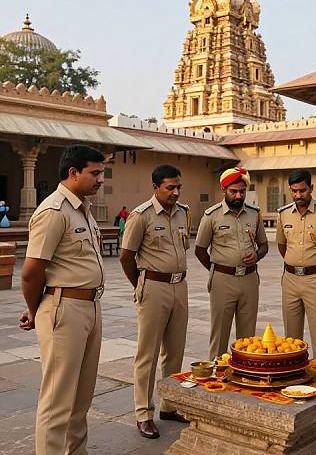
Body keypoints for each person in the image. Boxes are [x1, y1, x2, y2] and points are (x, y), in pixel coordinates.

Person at [19, 144, 105, 455]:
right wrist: (35, 309)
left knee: (81, 398)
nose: (101, 179)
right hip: (63, 308)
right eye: (95, 173)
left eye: (102, 173)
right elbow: (31, 272)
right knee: (57, 400)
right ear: (73, 173)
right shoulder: (53, 211)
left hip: (89, 307)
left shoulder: (82, 209)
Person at [120, 165, 190, 439]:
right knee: (146, 354)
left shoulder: (184, 213)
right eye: (170, 187)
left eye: (178, 187)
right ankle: (143, 413)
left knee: (175, 352)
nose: (175, 192)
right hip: (153, 287)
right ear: (156, 187)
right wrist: (141, 284)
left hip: (179, 286)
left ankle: (170, 405)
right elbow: (127, 256)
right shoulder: (142, 216)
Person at [195, 167, 268, 360]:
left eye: (242, 191)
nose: (238, 195)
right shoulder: (212, 216)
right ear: (224, 190)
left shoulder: (254, 214)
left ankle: (245, 374)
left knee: (248, 336)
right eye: (233, 191)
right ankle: (217, 377)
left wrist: (257, 256)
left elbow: (264, 245)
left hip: (249, 280)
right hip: (223, 281)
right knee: (219, 333)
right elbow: (200, 250)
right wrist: (217, 269)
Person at [276, 169, 316, 362]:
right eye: (294, 191)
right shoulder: (284, 214)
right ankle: (294, 372)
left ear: (311, 188)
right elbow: (282, 246)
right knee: (291, 336)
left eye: (302, 190)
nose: (298, 195)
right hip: (290, 280)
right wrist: (295, 264)